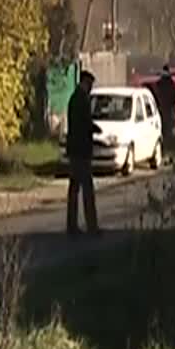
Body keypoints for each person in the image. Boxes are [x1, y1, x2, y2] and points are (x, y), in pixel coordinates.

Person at [66, 70, 100, 238]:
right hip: (81, 151)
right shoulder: (81, 99)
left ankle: (72, 226)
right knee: (86, 188)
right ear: (86, 82)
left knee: (74, 189)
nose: (91, 88)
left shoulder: (75, 98)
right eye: (90, 84)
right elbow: (83, 123)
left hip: (75, 150)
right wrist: (94, 128)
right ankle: (91, 226)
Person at [155, 65, 175, 143]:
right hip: (167, 106)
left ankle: (165, 137)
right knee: (168, 122)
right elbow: (173, 94)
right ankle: (168, 137)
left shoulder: (160, 83)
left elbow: (157, 93)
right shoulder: (170, 82)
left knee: (164, 122)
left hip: (162, 105)